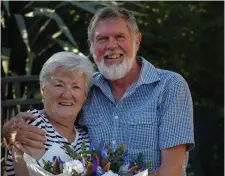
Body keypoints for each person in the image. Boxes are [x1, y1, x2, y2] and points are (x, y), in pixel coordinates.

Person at [3, 6, 194, 176]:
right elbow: (54, 119)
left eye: (119, 37)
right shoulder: (85, 87)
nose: (111, 45)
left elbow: (172, 170)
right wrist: (8, 131)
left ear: (137, 40)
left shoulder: (169, 86)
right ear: (91, 46)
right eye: (102, 38)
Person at [4, 51, 94, 176]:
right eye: (59, 85)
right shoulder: (33, 122)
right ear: (43, 89)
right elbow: (31, 173)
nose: (67, 94)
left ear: (85, 96)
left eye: (76, 87)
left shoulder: (85, 138)